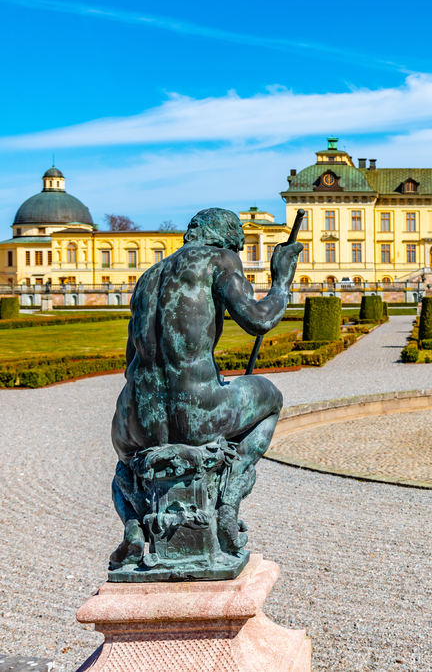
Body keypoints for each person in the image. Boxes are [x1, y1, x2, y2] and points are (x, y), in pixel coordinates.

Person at [109, 208, 301, 569]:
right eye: (240, 243)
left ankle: (134, 528)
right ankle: (228, 501)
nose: (241, 251)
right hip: (197, 413)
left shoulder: (149, 276)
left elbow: (128, 362)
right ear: (228, 238)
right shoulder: (221, 260)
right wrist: (281, 281)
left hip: (134, 421)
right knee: (272, 398)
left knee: (124, 465)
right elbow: (259, 320)